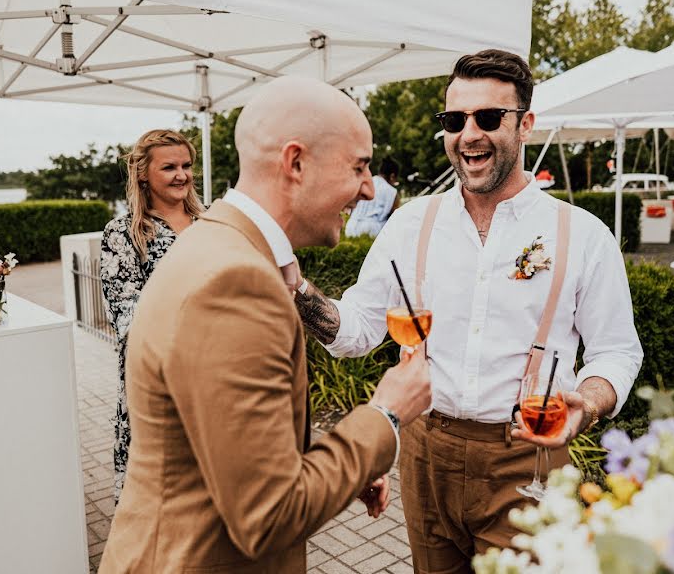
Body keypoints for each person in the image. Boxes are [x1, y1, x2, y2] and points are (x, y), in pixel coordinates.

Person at [290, 49, 643, 573]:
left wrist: (587, 404)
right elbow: (358, 329)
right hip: (425, 453)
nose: (468, 134)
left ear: (525, 124)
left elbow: (616, 350)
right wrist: (295, 287)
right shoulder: (412, 225)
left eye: (488, 117)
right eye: (455, 120)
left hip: (530, 461)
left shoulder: (583, 234)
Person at [98, 77, 432, 573]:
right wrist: (384, 415)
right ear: (295, 163)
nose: (368, 188)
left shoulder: (215, 241)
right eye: (358, 166)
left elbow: (232, 438)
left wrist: (336, 466)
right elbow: (268, 515)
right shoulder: (237, 282)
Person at [99, 129, 204, 502]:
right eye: (170, 167)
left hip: (215, 375)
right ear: (143, 173)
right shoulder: (123, 234)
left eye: (187, 165)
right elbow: (127, 316)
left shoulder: (212, 224)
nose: (182, 175)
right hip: (158, 381)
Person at [345, 156, 401, 237]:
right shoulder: (391, 191)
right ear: (392, 176)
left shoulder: (364, 183)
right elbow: (394, 218)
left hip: (351, 227)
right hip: (372, 231)